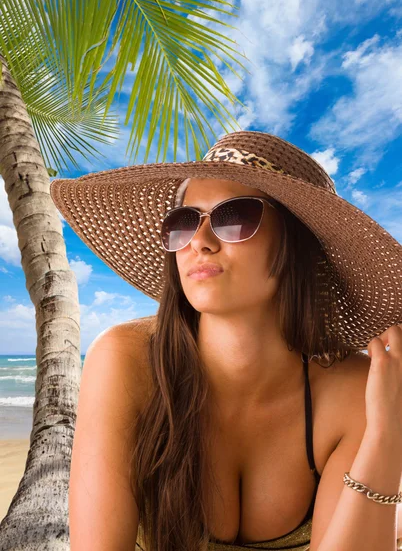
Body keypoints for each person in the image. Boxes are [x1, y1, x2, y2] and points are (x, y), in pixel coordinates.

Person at [50, 130, 402, 551]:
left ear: (298, 246)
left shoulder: (356, 390)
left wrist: (387, 438)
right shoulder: (126, 360)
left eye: (233, 217)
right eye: (183, 222)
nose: (199, 241)